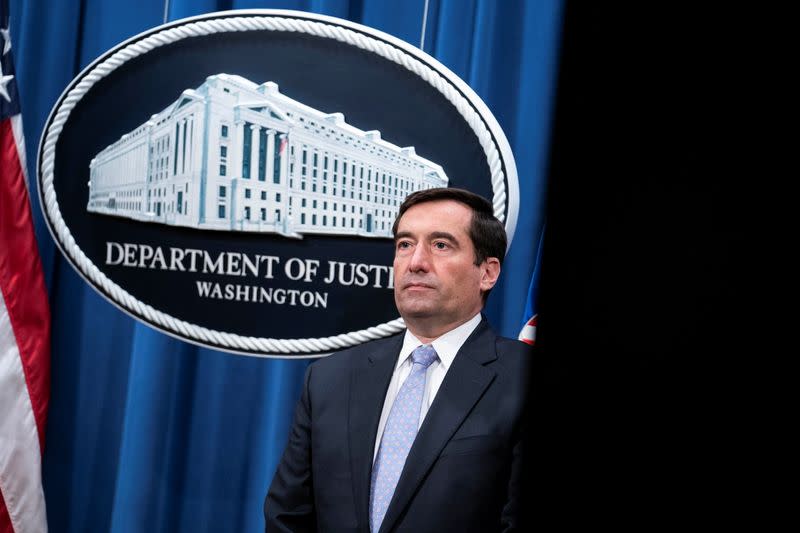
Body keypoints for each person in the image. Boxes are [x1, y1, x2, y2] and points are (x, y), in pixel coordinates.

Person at [265, 188, 530, 532]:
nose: (416, 262)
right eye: (405, 244)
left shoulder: (523, 378)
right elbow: (287, 518)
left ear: (487, 273)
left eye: (440, 245)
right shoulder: (329, 378)